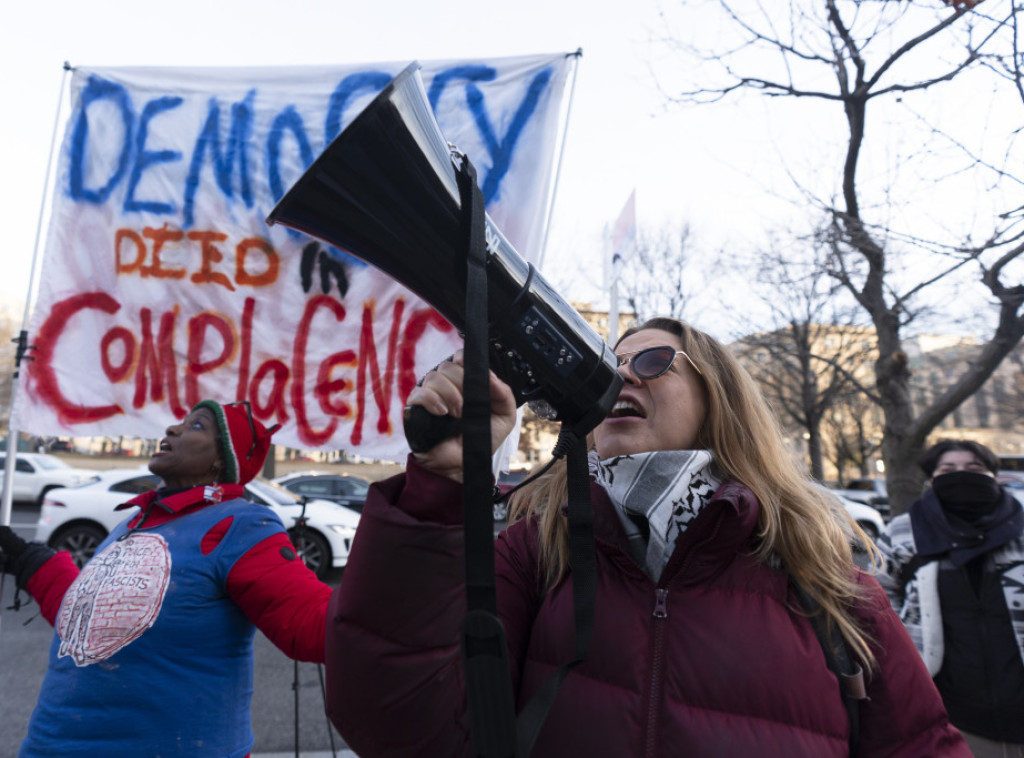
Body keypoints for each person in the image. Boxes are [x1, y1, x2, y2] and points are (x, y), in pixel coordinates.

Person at [325, 316, 969, 756]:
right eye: (608, 366)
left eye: (653, 360)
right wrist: (440, 491)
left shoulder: (827, 585)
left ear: (719, 401)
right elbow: (391, 719)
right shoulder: (532, 555)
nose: (622, 377)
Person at [0, 400, 332, 758]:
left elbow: (315, 627)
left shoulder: (241, 524)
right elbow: (88, 624)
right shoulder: (131, 522)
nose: (172, 430)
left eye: (197, 426)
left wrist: (389, 547)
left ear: (222, 458)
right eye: (179, 422)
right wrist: (31, 563)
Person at [876, 439, 1024, 758]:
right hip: (953, 718)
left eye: (975, 468)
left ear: (994, 476)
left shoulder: (1021, 524)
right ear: (931, 480)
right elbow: (873, 588)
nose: (962, 475)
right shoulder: (904, 530)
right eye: (948, 469)